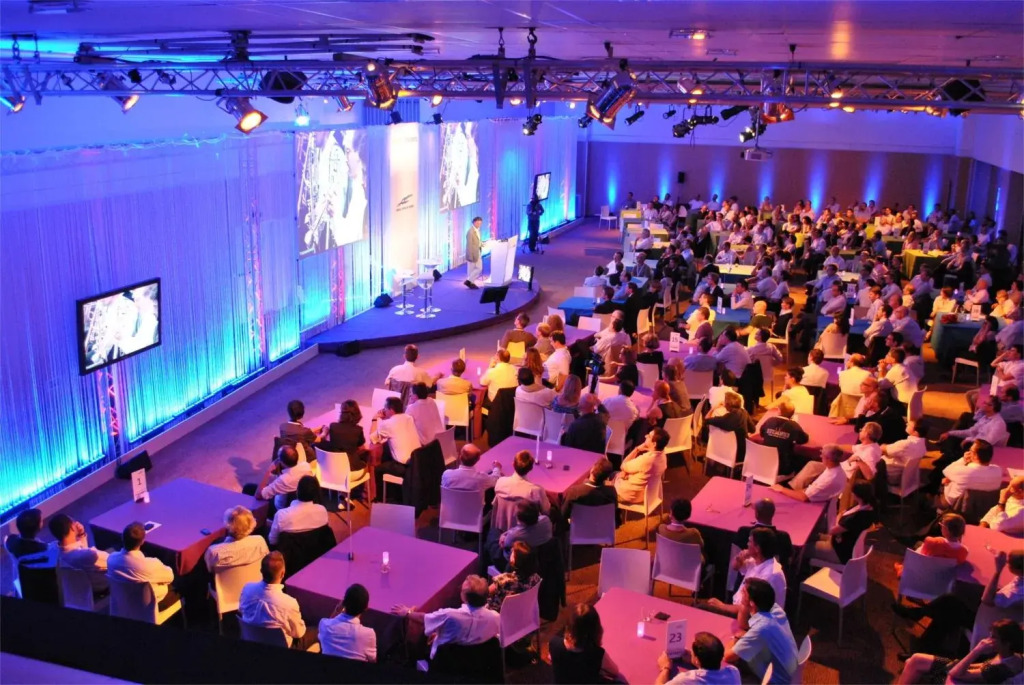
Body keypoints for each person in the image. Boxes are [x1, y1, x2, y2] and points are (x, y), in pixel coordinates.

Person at [893, 550, 1024, 657]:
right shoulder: (1020, 582)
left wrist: (998, 570)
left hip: (991, 626)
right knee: (949, 605)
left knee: (949, 605)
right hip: (1005, 619)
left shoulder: (1017, 592)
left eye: (1009, 563)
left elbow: (987, 600)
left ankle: (919, 619)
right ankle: (921, 646)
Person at [392, 575, 500, 660]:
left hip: (445, 663)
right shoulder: (495, 617)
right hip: (476, 662)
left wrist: (408, 612)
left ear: (464, 597)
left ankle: (409, 661)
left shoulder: (449, 615)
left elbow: (423, 619)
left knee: (418, 629)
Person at [898, 618, 1024, 685]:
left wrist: (977, 650)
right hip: (962, 674)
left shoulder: (1000, 670)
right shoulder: (1011, 655)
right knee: (915, 660)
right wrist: (957, 663)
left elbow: (955, 674)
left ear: (1007, 643)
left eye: (994, 637)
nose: (988, 640)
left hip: (958, 680)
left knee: (913, 664)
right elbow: (980, 666)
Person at [723, 579, 799, 685]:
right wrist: (745, 605)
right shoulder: (776, 610)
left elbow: (728, 656)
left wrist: (735, 638)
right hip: (790, 673)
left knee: (722, 673)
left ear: (752, 603)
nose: (740, 593)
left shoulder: (762, 628)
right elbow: (744, 625)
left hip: (776, 681)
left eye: (743, 593)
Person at [708, 528, 787, 625]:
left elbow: (749, 609)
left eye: (750, 541)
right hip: (742, 611)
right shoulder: (756, 561)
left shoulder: (770, 575)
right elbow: (735, 567)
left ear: (757, 548)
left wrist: (722, 606)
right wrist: (739, 558)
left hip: (755, 621)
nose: (747, 544)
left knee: (704, 608)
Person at [240, 551, 317, 649]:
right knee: (319, 631)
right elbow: (299, 633)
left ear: (261, 570)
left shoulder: (247, 589)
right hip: (283, 647)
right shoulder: (289, 603)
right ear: (283, 574)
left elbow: (241, 610)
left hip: (251, 638)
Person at [107, 521, 178, 607]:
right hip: (149, 606)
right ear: (142, 542)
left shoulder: (111, 559)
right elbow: (170, 577)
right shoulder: (151, 564)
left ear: (122, 538)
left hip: (122, 602)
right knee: (178, 585)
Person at [549, 603, 624, 684]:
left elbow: (551, 658)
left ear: (570, 625)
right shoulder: (597, 654)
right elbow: (614, 671)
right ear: (596, 630)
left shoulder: (554, 643)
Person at [809, 481, 877, 565]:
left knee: (805, 548)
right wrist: (839, 519)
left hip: (839, 552)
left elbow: (832, 530)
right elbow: (842, 515)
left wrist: (838, 518)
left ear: (857, 495)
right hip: (839, 542)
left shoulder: (857, 517)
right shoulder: (868, 508)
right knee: (810, 536)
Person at [371, 396, 422, 501]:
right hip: (417, 461)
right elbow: (397, 428)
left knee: (378, 469)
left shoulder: (388, 424)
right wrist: (386, 420)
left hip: (403, 467)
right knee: (387, 450)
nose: (384, 410)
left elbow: (373, 438)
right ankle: (393, 491)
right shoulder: (408, 418)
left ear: (391, 410)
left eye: (385, 408)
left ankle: (380, 498)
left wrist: (375, 419)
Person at [49, 513, 109, 594]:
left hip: (81, 589)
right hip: (103, 587)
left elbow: (82, 555)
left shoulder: (52, 551)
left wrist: (81, 535)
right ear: (72, 527)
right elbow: (110, 561)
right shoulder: (90, 554)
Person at [319, 583, 377, 661]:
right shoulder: (369, 634)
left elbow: (330, 622)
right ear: (366, 608)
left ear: (343, 602)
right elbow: (373, 661)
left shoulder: (325, 625)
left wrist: (337, 609)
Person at [939, 439, 1004, 509]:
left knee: (943, 481)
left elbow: (946, 471)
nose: (968, 452)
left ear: (975, 455)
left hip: (957, 506)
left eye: (970, 450)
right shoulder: (998, 471)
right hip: (983, 507)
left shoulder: (963, 471)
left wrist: (963, 460)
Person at [656, 632, 741, 685]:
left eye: (692, 652)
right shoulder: (733, 672)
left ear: (697, 659)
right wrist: (696, 661)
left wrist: (665, 668)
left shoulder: (687, 680)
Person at [773, 444, 849, 503]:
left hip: (817, 504)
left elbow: (803, 497)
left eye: (822, 454)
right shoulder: (836, 469)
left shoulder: (829, 478)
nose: (820, 456)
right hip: (820, 498)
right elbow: (809, 491)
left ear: (828, 459)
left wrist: (781, 489)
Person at [204, 505, 269, 572]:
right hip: (255, 577)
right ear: (252, 524)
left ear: (228, 525)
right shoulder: (260, 542)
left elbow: (210, 571)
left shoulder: (214, 552)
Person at [268, 475, 329, 545]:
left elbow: (272, 541)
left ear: (297, 491)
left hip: (289, 552)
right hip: (316, 550)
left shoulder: (281, 515)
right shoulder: (323, 511)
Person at [615, 427, 669, 506]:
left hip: (630, 496)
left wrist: (637, 449)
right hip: (647, 495)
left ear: (654, 444)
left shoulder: (646, 460)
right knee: (619, 474)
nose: (645, 436)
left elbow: (623, 465)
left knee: (609, 477)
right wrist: (625, 472)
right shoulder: (663, 456)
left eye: (649, 436)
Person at [733, 499, 794, 568]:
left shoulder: (744, 532)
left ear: (756, 514)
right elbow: (788, 561)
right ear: (773, 513)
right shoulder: (784, 537)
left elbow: (735, 559)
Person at [757, 398, 809, 476]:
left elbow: (762, 433)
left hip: (763, 462)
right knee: (804, 459)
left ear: (779, 411)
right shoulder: (793, 426)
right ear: (793, 414)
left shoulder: (769, 420)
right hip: (782, 467)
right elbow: (803, 439)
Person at [705, 391, 757, 464]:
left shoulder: (726, 419)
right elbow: (753, 430)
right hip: (744, 453)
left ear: (727, 404)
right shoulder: (744, 412)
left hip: (728, 454)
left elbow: (706, 419)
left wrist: (713, 408)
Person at [488, 540, 541, 610]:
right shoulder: (536, 578)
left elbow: (485, 593)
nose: (511, 550)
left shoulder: (503, 580)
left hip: (498, 613)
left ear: (514, 560)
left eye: (513, 552)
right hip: (521, 610)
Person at [494, 450, 551, 515]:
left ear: (513, 464)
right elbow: (546, 511)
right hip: (527, 521)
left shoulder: (500, 482)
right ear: (531, 468)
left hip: (502, 521)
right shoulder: (536, 491)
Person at [321, 400, 369, 470]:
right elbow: (361, 447)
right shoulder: (358, 430)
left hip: (334, 467)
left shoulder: (333, 426)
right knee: (367, 454)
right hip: (351, 468)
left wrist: (324, 433)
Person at [465, 216, 483, 288]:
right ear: (474, 222)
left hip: (478, 251)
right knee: (472, 269)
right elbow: (469, 245)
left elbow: (477, 241)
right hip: (472, 253)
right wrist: (470, 256)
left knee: (478, 268)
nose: (479, 225)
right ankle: (470, 282)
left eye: (480, 223)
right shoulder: (470, 232)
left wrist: (481, 244)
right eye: (478, 223)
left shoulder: (478, 230)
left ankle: (469, 281)